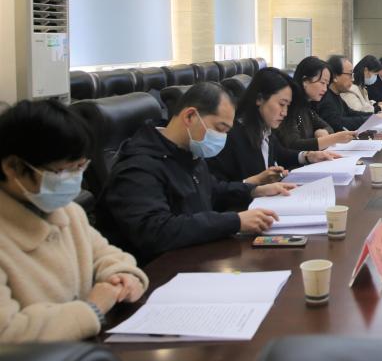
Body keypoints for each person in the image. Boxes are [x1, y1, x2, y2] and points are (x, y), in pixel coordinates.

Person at [97, 82, 296, 265]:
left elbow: (212, 189)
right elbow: (156, 231)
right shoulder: (139, 167)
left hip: (198, 255)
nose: (222, 138)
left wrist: (255, 190)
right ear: (190, 116)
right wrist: (235, 221)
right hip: (162, 271)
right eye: (219, 128)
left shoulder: (187, 151)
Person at [1, 99, 148, 342]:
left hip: (78, 354)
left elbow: (106, 254)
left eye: (80, 167)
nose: (74, 179)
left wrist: (122, 276)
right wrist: (92, 309)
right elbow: (7, 333)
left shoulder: (68, 212)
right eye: (62, 171)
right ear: (13, 167)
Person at [210, 68, 338, 185]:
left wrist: (308, 156)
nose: (284, 113)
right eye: (281, 104)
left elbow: (279, 152)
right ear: (259, 99)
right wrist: (253, 184)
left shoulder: (264, 128)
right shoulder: (232, 135)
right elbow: (217, 190)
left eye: (287, 106)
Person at [276, 56, 358, 150]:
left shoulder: (307, 107)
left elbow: (328, 127)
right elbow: (293, 144)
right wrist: (334, 139)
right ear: (305, 81)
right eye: (322, 83)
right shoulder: (289, 107)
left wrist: (323, 131)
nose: (325, 89)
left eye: (327, 84)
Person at [317, 55, 379, 131]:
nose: (352, 79)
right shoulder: (325, 98)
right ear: (335, 77)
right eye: (349, 74)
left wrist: (375, 116)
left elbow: (350, 113)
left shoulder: (336, 95)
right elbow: (337, 123)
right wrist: (372, 119)